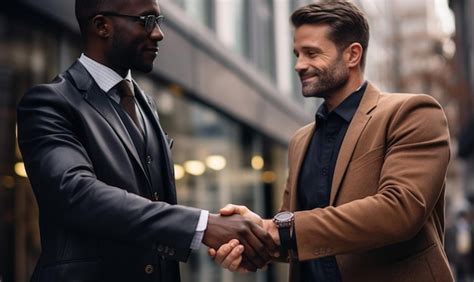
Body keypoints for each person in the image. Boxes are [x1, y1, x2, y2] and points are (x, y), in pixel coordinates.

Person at [17, 0, 276, 281]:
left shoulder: (145, 104)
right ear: (102, 26)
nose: (158, 34)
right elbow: (77, 194)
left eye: (159, 21)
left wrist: (218, 235)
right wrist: (202, 226)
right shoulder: (50, 102)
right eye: (146, 21)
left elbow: (152, 207)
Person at [210, 1, 454, 281]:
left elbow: (400, 211)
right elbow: (297, 237)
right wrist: (249, 241)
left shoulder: (413, 113)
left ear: (352, 55)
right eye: (297, 54)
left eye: (312, 53)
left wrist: (278, 229)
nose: (299, 65)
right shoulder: (300, 141)